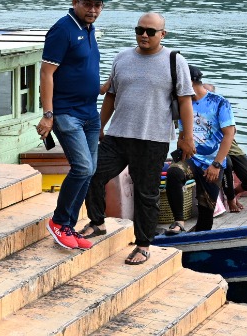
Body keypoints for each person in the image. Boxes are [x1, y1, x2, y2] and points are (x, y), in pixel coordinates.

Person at [79, 13, 194, 264]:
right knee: (90, 173)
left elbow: (185, 101)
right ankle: (97, 222)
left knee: (146, 193)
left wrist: (187, 136)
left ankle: (143, 245)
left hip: (152, 139)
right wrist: (99, 126)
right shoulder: (122, 58)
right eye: (139, 29)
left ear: (162, 34)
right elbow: (110, 95)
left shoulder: (175, 61)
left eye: (150, 31)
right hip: (118, 135)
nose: (144, 35)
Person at [35, 0, 107, 251]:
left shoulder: (89, 28)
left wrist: (100, 86)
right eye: (87, 4)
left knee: (89, 172)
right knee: (83, 168)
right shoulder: (62, 29)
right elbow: (46, 74)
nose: (92, 9)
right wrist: (48, 115)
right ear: (75, 2)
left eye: (97, 5)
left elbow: (79, 68)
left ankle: (68, 226)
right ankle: (58, 221)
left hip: (89, 112)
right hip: (67, 114)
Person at [164, 68, 237, 235]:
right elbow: (182, 135)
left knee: (206, 215)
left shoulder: (219, 102)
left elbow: (229, 135)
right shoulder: (183, 104)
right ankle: (179, 221)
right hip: (192, 159)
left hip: (213, 163)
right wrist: (180, 146)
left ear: (188, 83)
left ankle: (196, 241)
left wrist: (217, 165)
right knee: (174, 173)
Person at [202, 79, 247, 211]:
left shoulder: (221, 108)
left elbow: (231, 132)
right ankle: (230, 200)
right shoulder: (195, 109)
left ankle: (233, 193)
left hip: (230, 146)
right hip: (210, 149)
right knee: (226, 163)